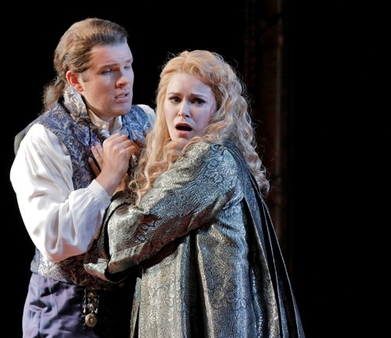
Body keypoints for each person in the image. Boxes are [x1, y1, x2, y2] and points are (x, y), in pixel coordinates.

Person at [84, 49, 305, 337]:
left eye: (197, 101)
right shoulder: (202, 160)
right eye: (174, 99)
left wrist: (118, 184)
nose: (183, 110)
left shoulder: (211, 159)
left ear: (218, 110)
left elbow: (127, 235)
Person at [10, 17, 155, 337]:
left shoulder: (145, 120)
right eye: (108, 71)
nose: (124, 81)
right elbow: (54, 240)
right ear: (75, 80)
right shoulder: (45, 139)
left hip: (135, 308)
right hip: (70, 311)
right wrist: (106, 181)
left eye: (128, 66)